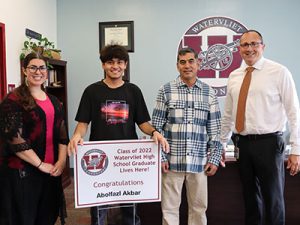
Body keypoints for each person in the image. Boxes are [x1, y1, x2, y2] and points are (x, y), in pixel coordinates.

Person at [67, 44, 169, 225]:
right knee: (99, 208)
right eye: (110, 62)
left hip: (127, 159)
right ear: (103, 65)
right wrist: (76, 136)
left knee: (130, 207)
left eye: (120, 62)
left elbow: (143, 123)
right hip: (99, 158)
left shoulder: (133, 91)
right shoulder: (92, 91)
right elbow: (83, 124)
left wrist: (155, 133)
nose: (115, 66)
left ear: (125, 65)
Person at [220, 30, 300, 225]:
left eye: (254, 44)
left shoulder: (279, 72)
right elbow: (228, 115)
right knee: (250, 198)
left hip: (270, 143)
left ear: (263, 46)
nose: (249, 49)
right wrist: (220, 144)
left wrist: (296, 149)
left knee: (273, 199)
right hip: (242, 145)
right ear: (239, 50)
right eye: (245, 45)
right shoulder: (234, 76)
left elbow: (294, 113)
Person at [152, 47, 223, 225]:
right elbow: (156, 127)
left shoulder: (209, 92)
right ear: (177, 66)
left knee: (199, 209)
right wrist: (160, 156)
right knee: (169, 210)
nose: (187, 66)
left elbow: (215, 129)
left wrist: (214, 158)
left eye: (191, 61)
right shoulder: (166, 90)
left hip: (199, 163)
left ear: (198, 63)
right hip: (171, 163)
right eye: (182, 62)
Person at [0, 52, 69, 225]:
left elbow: (62, 133)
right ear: (24, 70)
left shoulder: (54, 101)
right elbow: (15, 139)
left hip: (51, 171)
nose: (38, 72)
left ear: (47, 71)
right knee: (24, 218)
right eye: (33, 67)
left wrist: (61, 162)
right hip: (23, 173)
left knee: (47, 216)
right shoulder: (13, 100)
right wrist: (40, 164)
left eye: (42, 68)